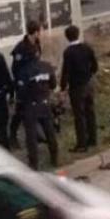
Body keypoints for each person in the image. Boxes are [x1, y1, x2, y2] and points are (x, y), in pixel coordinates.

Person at [60, 25, 99, 153]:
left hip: (76, 87)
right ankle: (93, 139)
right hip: (88, 84)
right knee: (90, 112)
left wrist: (63, 87)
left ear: (67, 37)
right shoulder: (86, 48)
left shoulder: (68, 52)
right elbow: (95, 65)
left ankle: (82, 144)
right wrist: (89, 74)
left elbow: (66, 71)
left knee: (79, 115)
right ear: (78, 34)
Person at [20, 55, 59, 170]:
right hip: (45, 103)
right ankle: (54, 158)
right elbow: (53, 84)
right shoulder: (47, 66)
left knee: (31, 136)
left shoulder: (25, 70)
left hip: (31, 105)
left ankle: (34, 163)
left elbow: (22, 90)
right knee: (49, 131)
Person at [9, 20, 43, 149]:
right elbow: (15, 68)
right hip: (23, 85)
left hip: (35, 83)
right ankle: (12, 136)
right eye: (40, 31)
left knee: (36, 108)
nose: (41, 33)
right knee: (20, 110)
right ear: (35, 32)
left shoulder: (37, 44)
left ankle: (37, 134)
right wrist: (20, 82)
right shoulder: (21, 48)